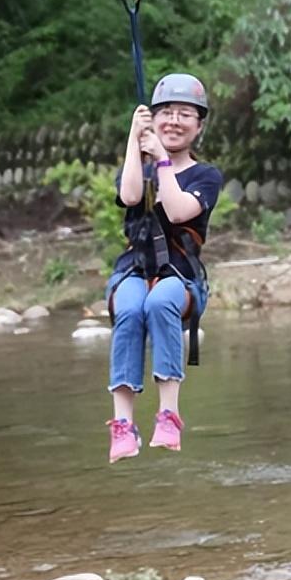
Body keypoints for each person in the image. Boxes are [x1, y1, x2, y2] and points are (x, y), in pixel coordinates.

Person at [105, 73, 223, 464]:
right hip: (135, 269)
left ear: (199, 125)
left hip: (180, 276)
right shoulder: (138, 167)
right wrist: (133, 143)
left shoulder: (206, 176)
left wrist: (162, 159)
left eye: (184, 114)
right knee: (129, 309)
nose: (173, 121)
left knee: (158, 304)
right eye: (165, 113)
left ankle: (168, 414)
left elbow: (176, 210)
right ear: (152, 120)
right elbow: (130, 195)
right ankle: (123, 424)